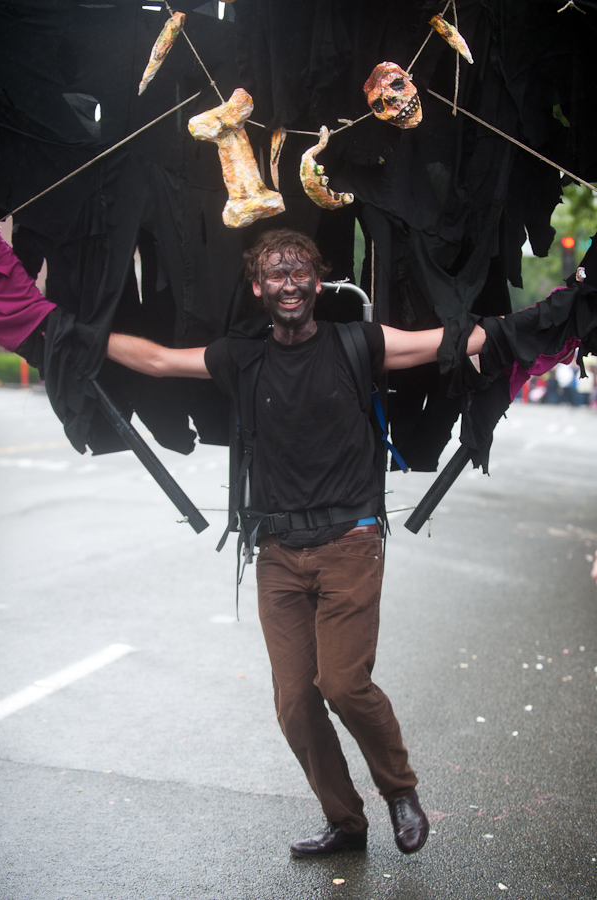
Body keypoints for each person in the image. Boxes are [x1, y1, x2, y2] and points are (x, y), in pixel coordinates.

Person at [107, 228, 487, 859]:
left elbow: (442, 342)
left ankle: (400, 791)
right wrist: (65, 330)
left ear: (318, 281)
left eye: (299, 272)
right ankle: (345, 821)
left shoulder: (356, 342)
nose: (289, 284)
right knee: (294, 703)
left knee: (342, 684)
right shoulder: (242, 356)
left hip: (349, 540)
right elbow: (157, 361)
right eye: (276, 275)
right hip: (278, 551)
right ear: (258, 287)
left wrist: (542, 318)